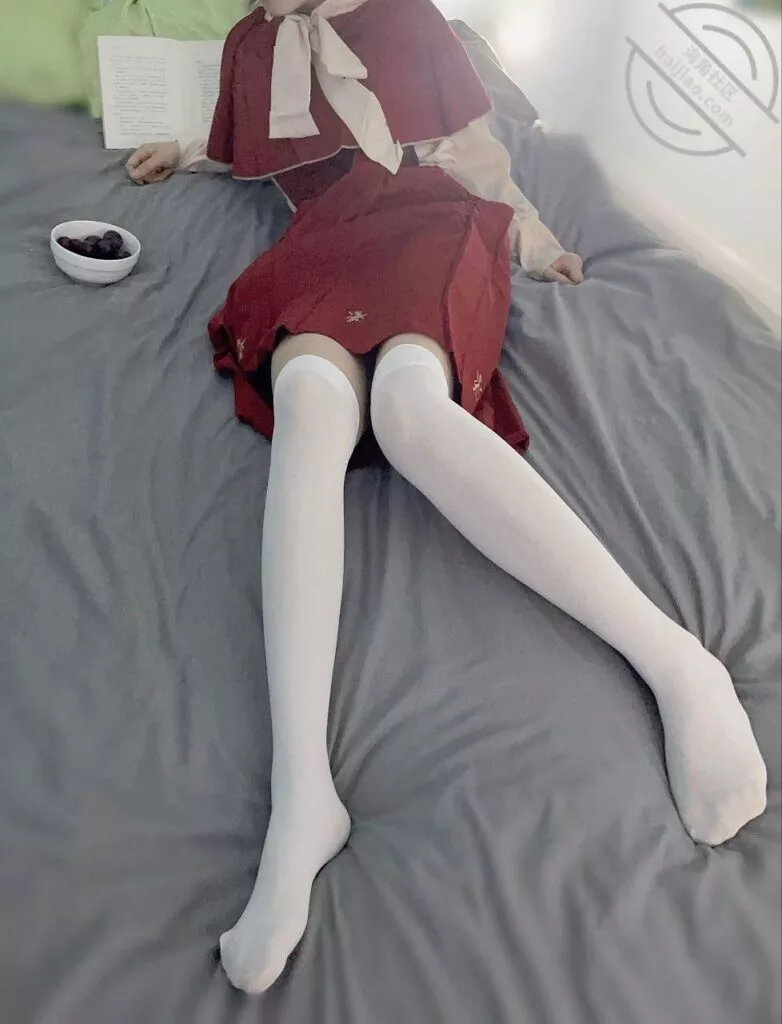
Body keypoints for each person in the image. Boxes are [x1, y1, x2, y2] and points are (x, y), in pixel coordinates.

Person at [127, 0, 767, 995]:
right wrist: (182, 150)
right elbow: (245, 140)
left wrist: (536, 240)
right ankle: (302, 799)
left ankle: (679, 663)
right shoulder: (252, 41)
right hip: (320, 239)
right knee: (307, 406)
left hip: (429, 216)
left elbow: (474, 154)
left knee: (409, 408)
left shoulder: (405, 16)